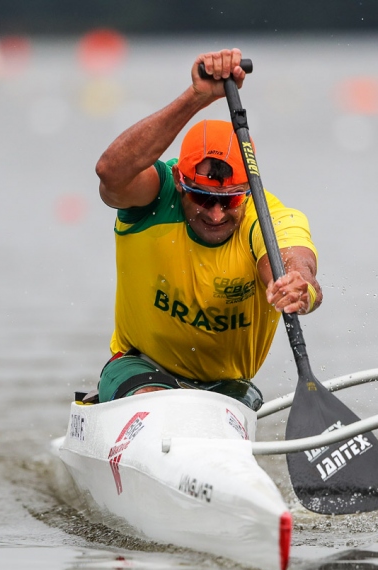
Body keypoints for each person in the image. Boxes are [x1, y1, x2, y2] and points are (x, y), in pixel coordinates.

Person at [92, 48, 322, 410]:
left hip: (227, 388)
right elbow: (111, 173)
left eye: (229, 200)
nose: (215, 214)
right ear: (181, 183)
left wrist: (298, 287)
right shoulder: (156, 194)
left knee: (220, 405)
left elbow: (297, 262)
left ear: (247, 193)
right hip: (140, 368)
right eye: (202, 197)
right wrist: (196, 97)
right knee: (159, 403)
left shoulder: (267, 216)